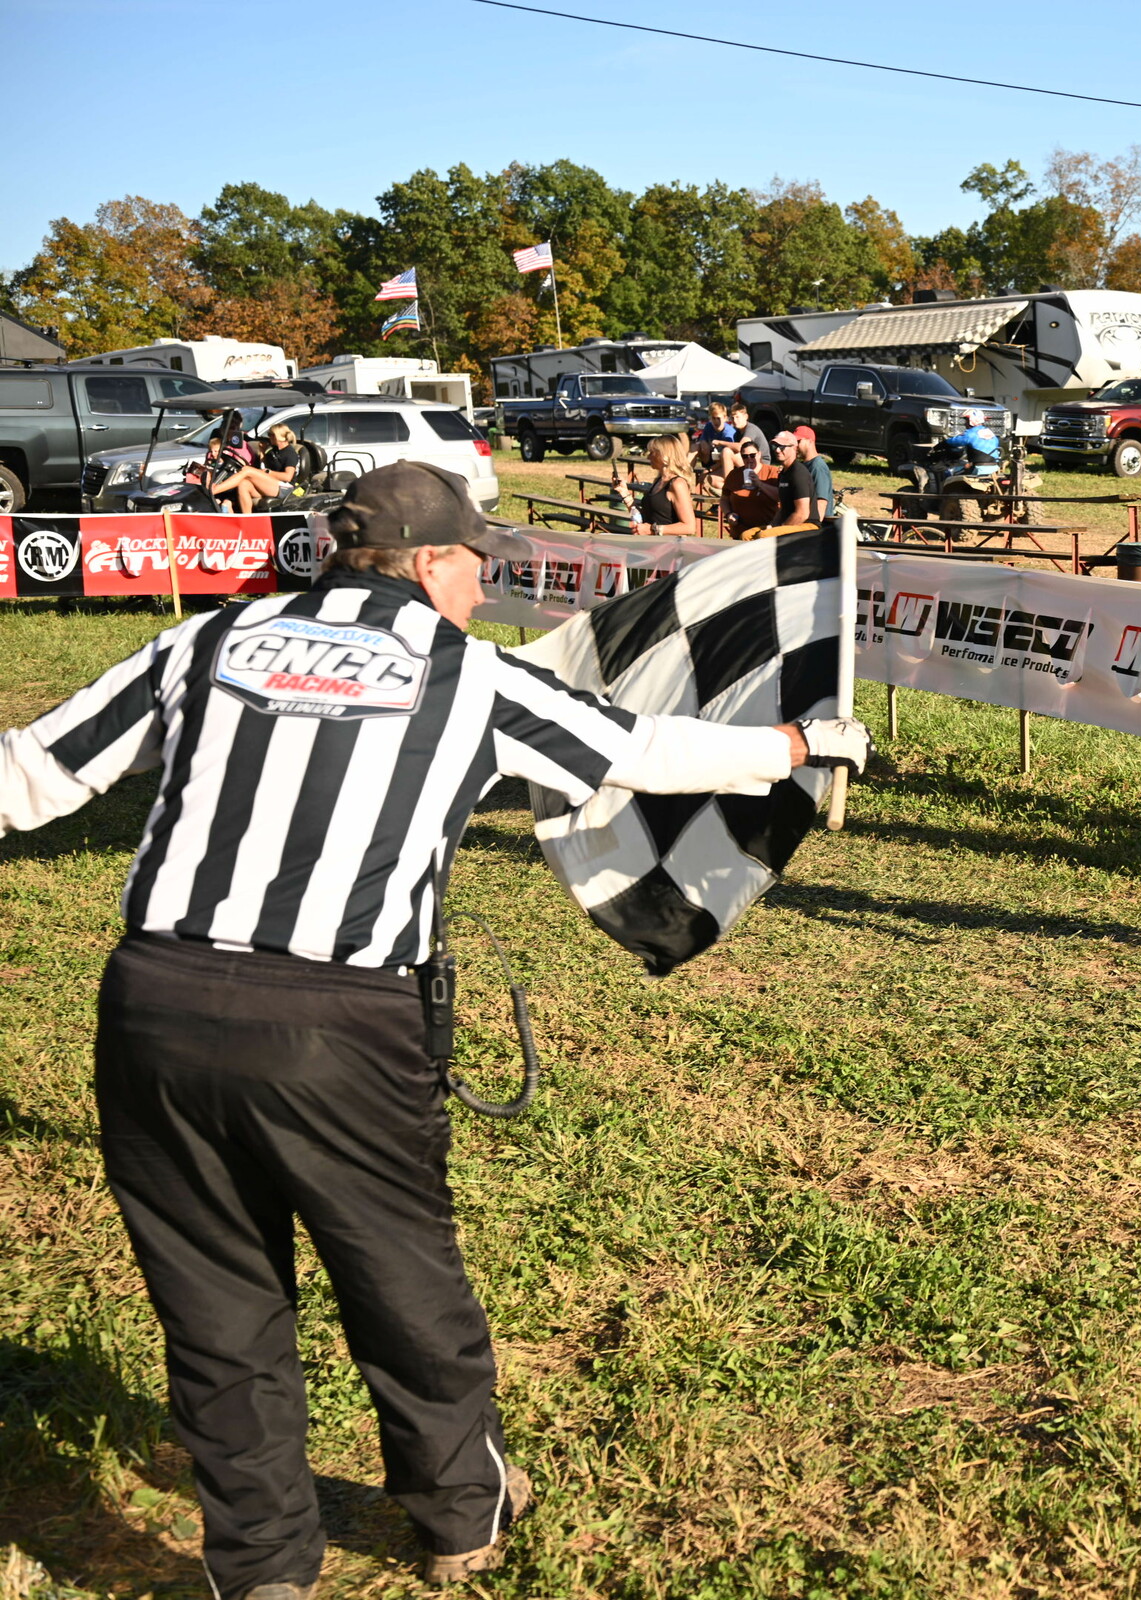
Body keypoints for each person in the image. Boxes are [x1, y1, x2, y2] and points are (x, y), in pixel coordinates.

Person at [0, 461, 872, 1600]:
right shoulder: (468, 673)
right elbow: (633, 752)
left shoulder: (206, 641)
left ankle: (262, 1566)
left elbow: (30, 776)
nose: (484, 582)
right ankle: (459, 1509)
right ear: (426, 563)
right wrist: (797, 748)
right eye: (476, 561)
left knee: (214, 1298)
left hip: (156, 1003)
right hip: (339, 1024)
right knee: (401, 1272)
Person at [213, 422, 309, 514]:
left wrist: (268, 472)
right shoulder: (274, 450)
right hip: (272, 484)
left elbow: (288, 477)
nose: (269, 437)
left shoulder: (290, 453)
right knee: (244, 484)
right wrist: (263, 452)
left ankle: (215, 490)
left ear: (278, 436)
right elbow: (266, 467)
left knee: (247, 470)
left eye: (271, 434)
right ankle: (247, 519)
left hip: (284, 487)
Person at [629, 435, 702, 538]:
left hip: (670, 548)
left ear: (665, 456)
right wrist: (625, 494)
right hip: (653, 546)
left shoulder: (677, 484)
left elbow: (689, 527)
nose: (648, 457)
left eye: (652, 452)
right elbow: (650, 517)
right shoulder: (658, 481)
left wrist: (653, 530)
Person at [718, 437, 783, 538]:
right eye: (745, 456)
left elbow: (781, 497)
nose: (749, 459)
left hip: (765, 532)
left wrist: (760, 484)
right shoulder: (734, 475)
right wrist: (728, 514)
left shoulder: (772, 473)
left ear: (759, 454)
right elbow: (724, 499)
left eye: (752, 455)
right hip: (739, 531)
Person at [776, 427, 835, 529]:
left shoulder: (817, 467)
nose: (796, 445)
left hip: (816, 526)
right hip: (799, 522)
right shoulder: (802, 466)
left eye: (799, 441)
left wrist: (815, 533)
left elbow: (821, 502)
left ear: (810, 441)